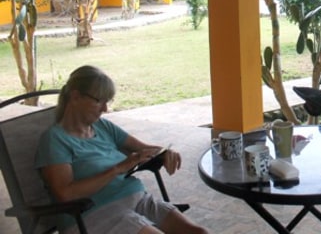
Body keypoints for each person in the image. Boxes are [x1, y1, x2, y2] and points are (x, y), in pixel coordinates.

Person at [35, 65, 208, 234]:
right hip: (95, 214)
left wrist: (164, 153)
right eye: (99, 101)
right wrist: (118, 169)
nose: (105, 109)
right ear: (75, 97)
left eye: (107, 101)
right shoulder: (55, 140)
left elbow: (144, 149)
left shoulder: (102, 126)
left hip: (136, 198)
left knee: (199, 232)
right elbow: (66, 194)